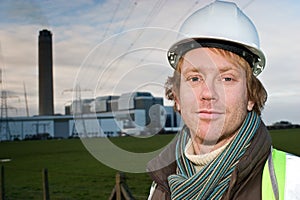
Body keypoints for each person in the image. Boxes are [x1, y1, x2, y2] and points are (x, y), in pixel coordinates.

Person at [147, 1, 300, 199]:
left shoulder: (293, 182)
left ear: (250, 96)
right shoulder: (160, 187)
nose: (208, 93)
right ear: (177, 98)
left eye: (226, 78)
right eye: (195, 78)